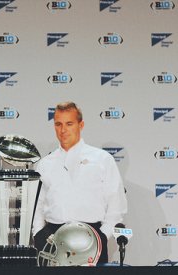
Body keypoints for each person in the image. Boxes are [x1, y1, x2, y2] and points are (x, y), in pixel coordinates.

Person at [32, 101, 127, 264]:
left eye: (69, 124)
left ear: (80, 125)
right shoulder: (44, 164)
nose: (63, 130)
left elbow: (116, 206)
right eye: (58, 124)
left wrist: (102, 237)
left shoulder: (102, 159)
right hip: (52, 240)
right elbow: (38, 206)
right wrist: (38, 234)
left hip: (93, 238)